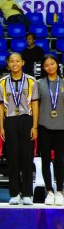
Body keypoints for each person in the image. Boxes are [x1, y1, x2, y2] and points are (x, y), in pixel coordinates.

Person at [0, 52, 39, 205]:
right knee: (12, 158)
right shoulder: (2, 82)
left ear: (22, 62)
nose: (14, 64)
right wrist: (2, 126)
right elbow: (1, 106)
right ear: (8, 64)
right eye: (11, 61)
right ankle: (15, 193)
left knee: (27, 157)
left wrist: (34, 126)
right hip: (10, 121)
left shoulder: (31, 81)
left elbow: (35, 104)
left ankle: (27, 193)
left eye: (17, 61)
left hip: (27, 120)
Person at [37, 54, 64, 206]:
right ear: (43, 68)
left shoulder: (63, 82)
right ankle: (49, 191)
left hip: (61, 126)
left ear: (57, 65)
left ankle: (60, 191)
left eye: (52, 64)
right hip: (44, 126)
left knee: (60, 160)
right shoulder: (39, 83)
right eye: (46, 65)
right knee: (45, 160)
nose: (50, 67)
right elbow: (36, 106)